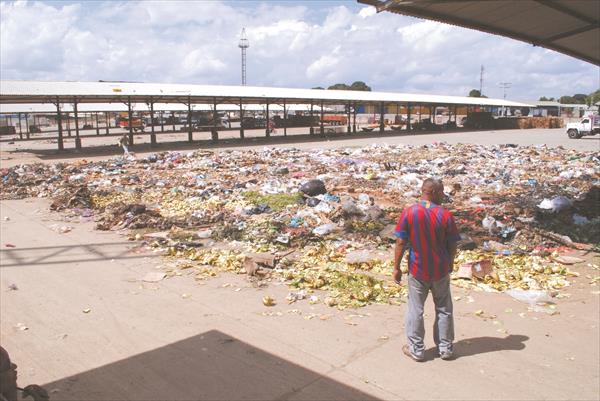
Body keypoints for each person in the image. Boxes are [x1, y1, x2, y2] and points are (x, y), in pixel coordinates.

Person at [393, 178, 460, 362]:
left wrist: (396, 268)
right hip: (440, 269)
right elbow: (452, 243)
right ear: (435, 192)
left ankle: (416, 349)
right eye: (442, 192)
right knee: (444, 309)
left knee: (416, 309)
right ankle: (445, 348)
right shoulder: (445, 215)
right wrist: (450, 262)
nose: (443, 196)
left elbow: (400, 242)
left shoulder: (410, 212)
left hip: (417, 269)